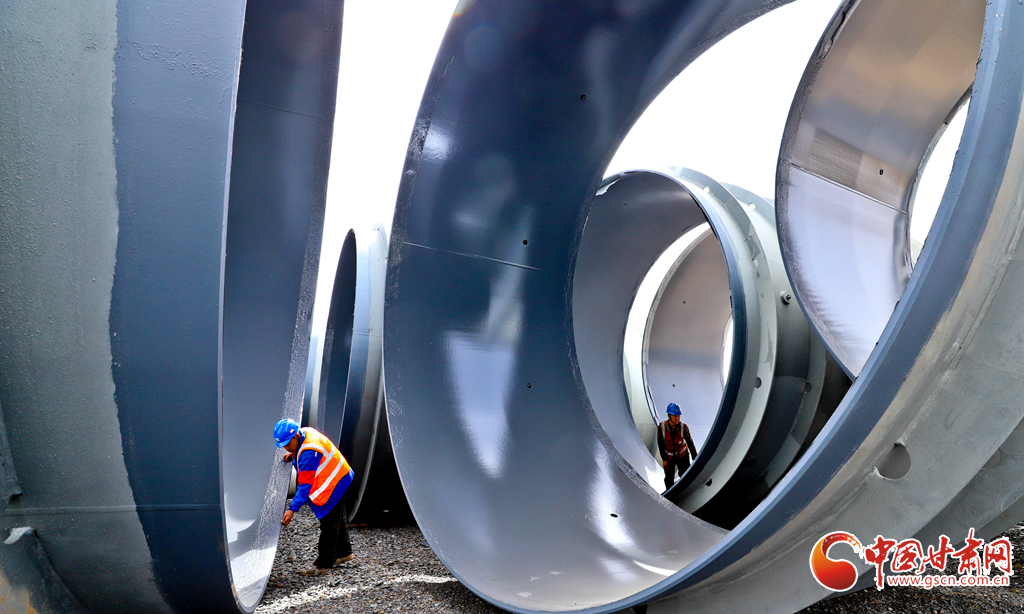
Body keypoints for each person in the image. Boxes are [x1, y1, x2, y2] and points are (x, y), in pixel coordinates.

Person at [274, 418, 355, 576]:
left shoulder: (308, 453)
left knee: (329, 525)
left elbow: (304, 486)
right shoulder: (306, 432)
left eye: (288, 444)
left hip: (335, 483)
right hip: (342, 474)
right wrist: (294, 455)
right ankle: (344, 552)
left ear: (296, 436)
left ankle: (323, 565)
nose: (286, 447)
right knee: (338, 518)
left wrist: (292, 509)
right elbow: (305, 453)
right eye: (283, 445)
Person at [657, 403, 697, 490]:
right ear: (669, 416)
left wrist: (695, 457)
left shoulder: (683, 427)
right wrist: (664, 459)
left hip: (682, 456)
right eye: (675, 416)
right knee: (669, 478)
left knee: (685, 476)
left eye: (678, 416)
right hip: (669, 457)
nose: (677, 418)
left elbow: (690, 442)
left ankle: (685, 491)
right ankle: (670, 494)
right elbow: (660, 444)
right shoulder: (662, 427)